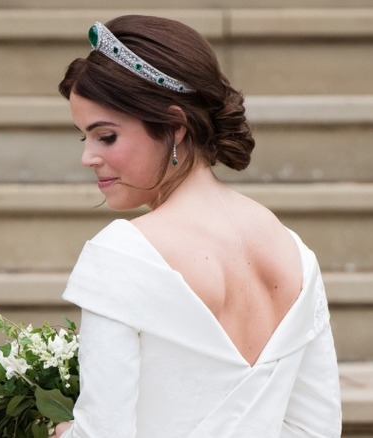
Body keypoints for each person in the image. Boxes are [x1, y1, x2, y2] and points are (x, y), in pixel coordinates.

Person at [51, 15, 341, 438]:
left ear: (174, 125)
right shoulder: (293, 251)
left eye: (106, 136)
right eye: (85, 139)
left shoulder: (122, 252)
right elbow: (316, 428)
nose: (88, 158)